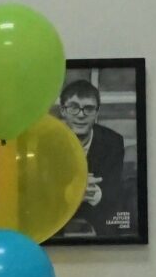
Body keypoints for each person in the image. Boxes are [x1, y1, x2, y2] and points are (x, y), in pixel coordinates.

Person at [55, 77, 134, 239]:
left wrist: (95, 193)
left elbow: (113, 188)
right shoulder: (49, 141)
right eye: (73, 108)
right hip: (59, 208)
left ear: (97, 112)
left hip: (96, 207)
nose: (81, 115)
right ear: (63, 111)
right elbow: (43, 189)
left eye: (88, 109)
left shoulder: (113, 141)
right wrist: (73, 190)